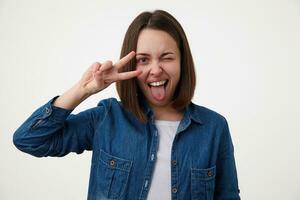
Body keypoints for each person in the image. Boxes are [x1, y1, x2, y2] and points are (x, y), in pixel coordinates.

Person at [13, 10, 241, 200]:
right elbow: (29, 140)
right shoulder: (107, 118)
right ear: (131, 65)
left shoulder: (214, 127)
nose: (155, 69)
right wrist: (82, 90)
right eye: (143, 59)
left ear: (182, 62)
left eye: (167, 57)